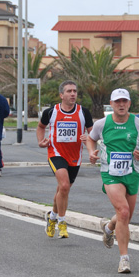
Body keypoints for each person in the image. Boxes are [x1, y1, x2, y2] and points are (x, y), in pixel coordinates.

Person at [86, 88, 139, 273]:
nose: (121, 104)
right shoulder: (102, 124)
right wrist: (91, 152)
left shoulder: (138, 124)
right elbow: (90, 139)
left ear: (129, 104)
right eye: (118, 101)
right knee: (123, 212)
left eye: (125, 101)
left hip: (132, 173)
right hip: (110, 173)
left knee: (126, 216)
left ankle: (108, 227)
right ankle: (124, 259)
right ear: (112, 103)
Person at [37, 80, 93, 239]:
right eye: (69, 91)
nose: (73, 94)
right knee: (64, 185)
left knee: (63, 189)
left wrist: (88, 137)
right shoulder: (51, 112)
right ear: (61, 95)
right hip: (55, 153)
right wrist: (41, 141)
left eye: (75, 91)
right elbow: (41, 127)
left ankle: (52, 217)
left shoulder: (84, 112)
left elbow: (93, 133)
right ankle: (62, 222)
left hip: (75, 156)